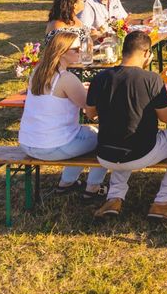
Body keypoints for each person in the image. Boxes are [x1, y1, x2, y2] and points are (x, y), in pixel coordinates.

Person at [85, 31, 167, 221]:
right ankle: (163, 202)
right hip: (140, 152)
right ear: (146, 54)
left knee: (124, 136)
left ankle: (114, 198)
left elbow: (90, 113)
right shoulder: (151, 79)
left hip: (105, 153)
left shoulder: (100, 77)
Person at [19, 31, 107, 199]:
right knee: (107, 137)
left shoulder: (37, 72)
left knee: (84, 133)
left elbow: (58, 94)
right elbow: (91, 109)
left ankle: (67, 182)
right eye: (76, 49)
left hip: (28, 143)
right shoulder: (67, 78)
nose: (81, 51)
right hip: (52, 147)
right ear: (62, 52)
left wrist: (80, 88)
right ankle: (93, 186)